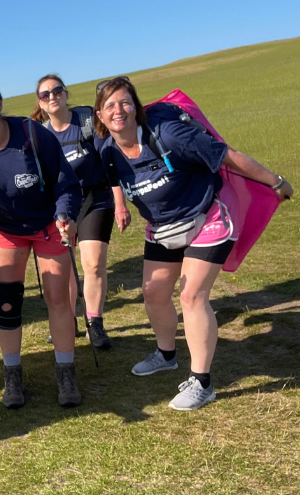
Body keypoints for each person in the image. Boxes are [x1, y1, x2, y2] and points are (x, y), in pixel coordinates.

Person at [94, 76, 293, 411]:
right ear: (100, 116)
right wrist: (119, 204)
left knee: (191, 295)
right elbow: (114, 178)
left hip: (209, 216)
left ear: (136, 106)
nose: (119, 110)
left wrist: (276, 181)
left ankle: (202, 383)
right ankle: (166, 354)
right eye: (110, 105)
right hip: (162, 227)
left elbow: (229, 156)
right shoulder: (108, 151)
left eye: (125, 102)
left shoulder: (171, 135)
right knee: (154, 294)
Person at [0, 77, 83, 409]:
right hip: (7, 229)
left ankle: (65, 372)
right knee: (7, 302)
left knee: (57, 296)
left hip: (49, 223)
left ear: (0, 102)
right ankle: (12, 376)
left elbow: (66, 184)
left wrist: (65, 214)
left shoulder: (32, 134)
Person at [31, 74, 122, 349]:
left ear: (66, 94)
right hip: (63, 207)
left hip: (95, 199)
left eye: (57, 91)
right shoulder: (42, 136)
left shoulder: (86, 123)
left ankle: (94, 323)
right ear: (40, 102)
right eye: (45, 94)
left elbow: (110, 162)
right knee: (66, 269)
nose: (52, 97)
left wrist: (120, 203)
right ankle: (66, 321)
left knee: (93, 264)